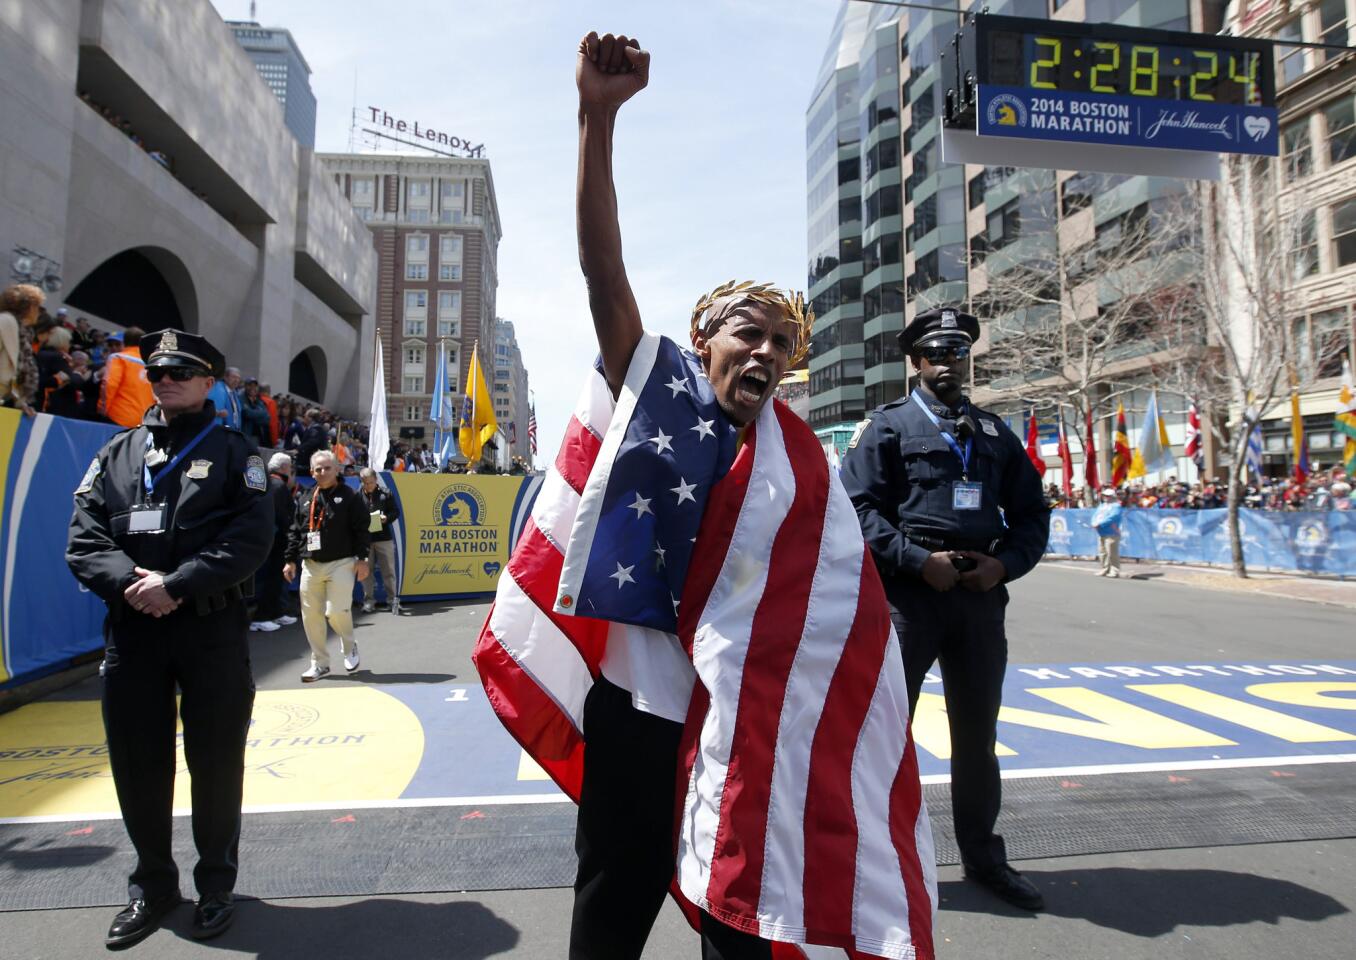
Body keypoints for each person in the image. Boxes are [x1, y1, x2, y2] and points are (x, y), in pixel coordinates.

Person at [476, 32, 934, 960]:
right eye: (747, 333)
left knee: (741, 920)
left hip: (740, 730)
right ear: (702, 338)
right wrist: (596, 118)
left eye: (783, 345)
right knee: (612, 911)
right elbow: (602, 272)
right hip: (640, 719)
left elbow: (838, 607)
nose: (765, 352)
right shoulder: (651, 389)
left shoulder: (802, 465)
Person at [65, 329, 272, 947]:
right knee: (138, 762)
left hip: (209, 627)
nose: (168, 380)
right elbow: (83, 538)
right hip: (134, 630)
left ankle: (215, 885)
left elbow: (250, 540)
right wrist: (134, 583)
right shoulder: (116, 454)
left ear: (210, 381)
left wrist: (176, 585)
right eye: (158, 372)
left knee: (214, 762)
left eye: (183, 370)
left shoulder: (241, 454)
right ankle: (153, 887)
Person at [841, 305, 1051, 912]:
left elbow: (1033, 514)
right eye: (935, 353)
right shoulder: (886, 427)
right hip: (910, 599)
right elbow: (857, 510)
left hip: (979, 598)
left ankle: (984, 860)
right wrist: (913, 560)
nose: (947, 363)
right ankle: (870, 865)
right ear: (915, 361)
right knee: (883, 734)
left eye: (957, 352)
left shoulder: (994, 434)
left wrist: (1005, 565)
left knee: (977, 737)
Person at [283, 450, 370, 682]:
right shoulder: (305, 497)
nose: (322, 472)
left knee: (335, 611)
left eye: (327, 468)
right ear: (311, 472)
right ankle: (319, 663)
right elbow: (296, 531)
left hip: (341, 562)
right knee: (310, 615)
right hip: (310, 564)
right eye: (317, 469)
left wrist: (362, 559)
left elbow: (362, 528)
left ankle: (349, 644)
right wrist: (290, 559)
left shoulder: (350, 496)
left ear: (337, 469)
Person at [251, 452, 297, 631]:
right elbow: (282, 515)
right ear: (285, 468)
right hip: (277, 540)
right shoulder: (278, 485)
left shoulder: (265, 482)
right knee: (273, 579)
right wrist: (292, 533)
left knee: (275, 579)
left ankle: (275, 613)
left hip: (267, 538)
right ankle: (262, 617)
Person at [358, 468, 401, 614]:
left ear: (376, 480)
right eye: (365, 483)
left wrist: (386, 518)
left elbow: (395, 512)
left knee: (389, 571)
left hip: (383, 538)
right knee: (365, 572)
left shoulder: (386, 493)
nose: (368, 485)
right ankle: (368, 601)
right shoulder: (357, 495)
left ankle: (392, 600)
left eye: (370, 482)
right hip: (364, 540)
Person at [0, 283, 44, 414]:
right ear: (29, 306)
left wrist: (20, 403)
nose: (40, 311)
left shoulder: (24, 332)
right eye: (38, 306)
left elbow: (17, 373)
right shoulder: (5, 322)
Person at [99, 327, 154, 427]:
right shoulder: (152, 364)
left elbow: (109, 385)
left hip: (118, 417)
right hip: (144, 422)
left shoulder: (118, 357)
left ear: (124, 341)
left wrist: (102, 409)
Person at [1091, 486, 1125, 577]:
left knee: (1112, 552)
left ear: (1113, 496)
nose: (1106, 497)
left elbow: (1112, 518)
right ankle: (1105, 569)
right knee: (1102, 552)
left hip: (1111, 532)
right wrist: (1094, 522)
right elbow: (1095, 515)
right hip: (1101, 532)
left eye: (1108, 495)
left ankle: (1115, 570)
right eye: (1105, 495)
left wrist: (1100, 524)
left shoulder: (1116, 506)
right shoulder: (1102, 506)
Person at [239, 378, 272, 448]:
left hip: (258, 437)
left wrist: (254, 415)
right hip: (245, 435)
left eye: (255, 386)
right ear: (245, 386)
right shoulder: (240, 397)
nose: (252, 388)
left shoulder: (259, 400)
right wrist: (261, 413)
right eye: (250, 385)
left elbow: (267, 419)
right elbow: (246, 413)